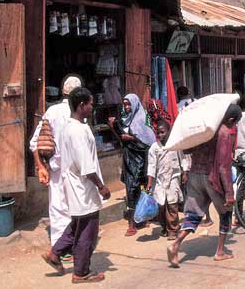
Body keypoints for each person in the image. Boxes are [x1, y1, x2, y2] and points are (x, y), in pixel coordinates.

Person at [41, 87, 110, 284]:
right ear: (81, 105)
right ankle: (81, 272)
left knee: (76, 226)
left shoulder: (70, 127)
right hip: (83, 188)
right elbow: (86, 166)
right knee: (87, 232)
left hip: (75, 186)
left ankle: (55, 253)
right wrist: (101, 187)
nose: (91, 107)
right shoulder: (77, 130)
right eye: (90, 104)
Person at [167, 104, 242, 268]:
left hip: (195, 175)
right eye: (235, 122)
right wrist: (229, 193)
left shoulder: (204, 129)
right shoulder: (224, 132)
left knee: (193, 215)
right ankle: (220, 251)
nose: (234, 126)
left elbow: (187, 151)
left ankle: (176, 243)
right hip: (212, 178)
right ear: (230, 120)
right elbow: (223, 166)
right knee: (226, 213)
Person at [29, 75, 81, 253]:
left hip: (56, 169)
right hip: (76, 170)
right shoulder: (79, 113)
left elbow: (34, 143)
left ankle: (60, 250)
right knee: (76, 207)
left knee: (58, 209)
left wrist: (41, 166)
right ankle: (70, 247)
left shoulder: (52, 112)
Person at [108, 94, 157, 236]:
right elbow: (121, 140)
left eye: (129, 104)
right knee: (131, 189)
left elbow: (148, 143)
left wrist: (131, 138)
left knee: (143, 188)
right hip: (130, 160)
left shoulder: (143, 119)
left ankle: (144, 217)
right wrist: (113, 128)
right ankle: (132, 224)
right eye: (125, 104)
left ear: (135, 104)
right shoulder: (124, 120)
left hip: (142, 159)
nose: (127, 107)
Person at [146, 119, 190, 240]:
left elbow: (183, 159)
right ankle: (164, 227)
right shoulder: (154, 148)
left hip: (173, 179)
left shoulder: (175, 145)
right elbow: (151, 165)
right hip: (159, 181)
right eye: (158, 133)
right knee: (160, 206)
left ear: (169, 131)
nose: (160, 135)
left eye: (162, 132)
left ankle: (173, 230)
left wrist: (184, 173)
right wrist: (150, 182)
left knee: (172, 205)